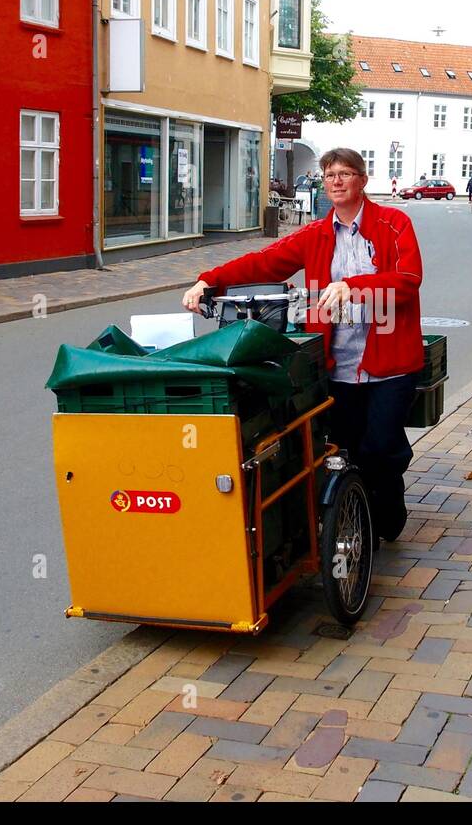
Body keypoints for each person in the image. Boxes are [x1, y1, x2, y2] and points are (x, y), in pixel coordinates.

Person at [182, 147, 425, 543]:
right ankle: (354, 522)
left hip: (389, 364)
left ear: (362, 180)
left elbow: (408, 279)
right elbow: (265, 261)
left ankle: (388, 506)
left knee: (381, 448)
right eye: (330, 175)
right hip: (337, 364)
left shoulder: (394, 223)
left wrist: (352, 287)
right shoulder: (316, 233)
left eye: (346, 173)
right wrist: (209, 279)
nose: (337, 181)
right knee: (340, 451)